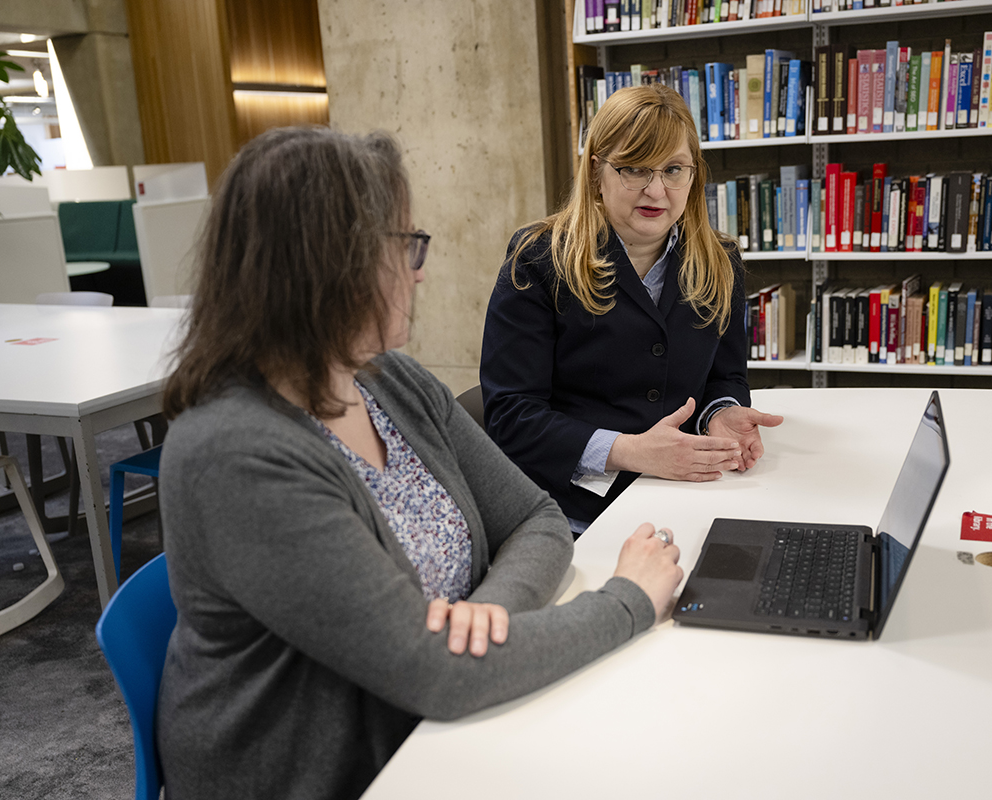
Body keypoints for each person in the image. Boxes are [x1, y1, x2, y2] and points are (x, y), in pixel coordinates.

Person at [156, 127, 684, 800]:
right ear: (326, 265)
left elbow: (534, 518)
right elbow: (436, 677)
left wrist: (485, 618)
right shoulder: (236, 455)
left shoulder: (388, 380)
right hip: (330, 773)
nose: (420, 268)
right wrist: (629, 601)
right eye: (402, 245)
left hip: (435, 731)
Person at [480, 84, 783, 533]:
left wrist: (721, 413)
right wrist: (629, 451)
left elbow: (725, 376)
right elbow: (511, 414)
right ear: (597, 170)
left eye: (673, 169)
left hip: (683, 494)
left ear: (694, 175)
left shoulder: (720, 261)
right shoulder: (540, 259)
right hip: (567, 512)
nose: (656, 190)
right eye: (635, 168)